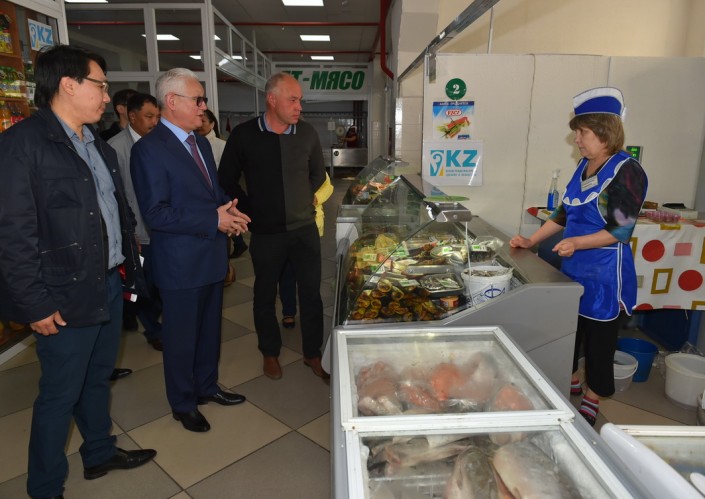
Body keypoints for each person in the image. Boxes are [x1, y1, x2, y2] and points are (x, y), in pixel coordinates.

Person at [0, 44, 156, 499]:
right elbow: (12, 234)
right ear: (68, 85)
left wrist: (129, 265)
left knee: (97, 376)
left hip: (105, 282)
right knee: (60, 393)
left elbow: (114, 211)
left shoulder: (96, 144)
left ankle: (99, 452)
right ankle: (45, 487)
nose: (107, 97)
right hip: (61, 294)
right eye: (100, 86)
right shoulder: (22, 146)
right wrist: (35, 303)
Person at [509, 87, 647, 426]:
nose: (577, 140)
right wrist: (530, 240)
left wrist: (577, 243)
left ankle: (593, 395)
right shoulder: (584, 166)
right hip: (574, 267)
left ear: (604, 132)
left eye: (582, 133)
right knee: (568, 330)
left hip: (605, 274)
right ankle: (570, 376)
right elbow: (564, 213)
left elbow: (620, 230)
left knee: (600, 341)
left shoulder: (626, 171)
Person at [131, 68, 250, 433]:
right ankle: (183, 403)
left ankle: (207, 386)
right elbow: (156, 213)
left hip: (210, 255)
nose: (203, 107)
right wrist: (213, 219)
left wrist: (228, 210)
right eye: (198, 99)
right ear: (172, 101)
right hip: (180, 263)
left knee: (209, 331)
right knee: (181, 338)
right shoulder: (149, 149)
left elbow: (211, 193)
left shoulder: (200, 143)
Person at [219, 72, 327, 381]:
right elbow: (226, 178)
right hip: (266, 232)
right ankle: (269, 352)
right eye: (292, 100)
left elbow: (318, 174)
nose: (299, 107)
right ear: (271, 99)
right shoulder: (244, 135)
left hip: (304, 229)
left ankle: (313, 353)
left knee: (311, 294)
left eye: (300, 100)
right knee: (264, 294)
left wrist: (301, 199)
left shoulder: (307, 133)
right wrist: (250, 208)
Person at [108, 93, 163, 351]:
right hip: (138, 234)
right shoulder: (115, 148)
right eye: (149, 116)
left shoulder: (161, 142)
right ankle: (153, 329)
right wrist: (128, 234)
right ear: (132, 116)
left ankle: (154, 322)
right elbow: (116, 197)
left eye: (158, 117)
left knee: (161, 283)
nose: (155, 122)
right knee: (142, 287)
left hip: (162, 230)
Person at [279, 172, 334, 329]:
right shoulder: (283, 163)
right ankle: (288, 311)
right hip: (287, 225)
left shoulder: (313, 163)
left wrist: (317, 198)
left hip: (311, 225)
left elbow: (328, 186)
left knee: (309, 275)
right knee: (287, 271)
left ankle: (309, 314)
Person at [197, 108, 248, 263]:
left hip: (220, 192)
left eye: (204, 121)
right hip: (204, 195)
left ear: (212, 124)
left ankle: (236, 245)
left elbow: (228, 172)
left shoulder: (221, 145)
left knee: (225, 224)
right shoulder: (195, 143)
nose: (200, 124)